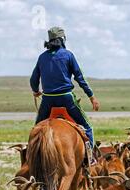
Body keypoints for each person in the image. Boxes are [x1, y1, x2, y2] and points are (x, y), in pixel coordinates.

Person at [30, 26, 100, 165]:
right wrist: (91, 96)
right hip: (66, 98)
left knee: (36, 130)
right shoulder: (68, 55)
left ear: (49, 41)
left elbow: (33, 79)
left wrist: (36, 91)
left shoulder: (42, 57)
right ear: (62, 39)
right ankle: (89, 159)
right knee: (87, 127)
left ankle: (31, 159)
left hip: (48, 100)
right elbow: (80, 77)